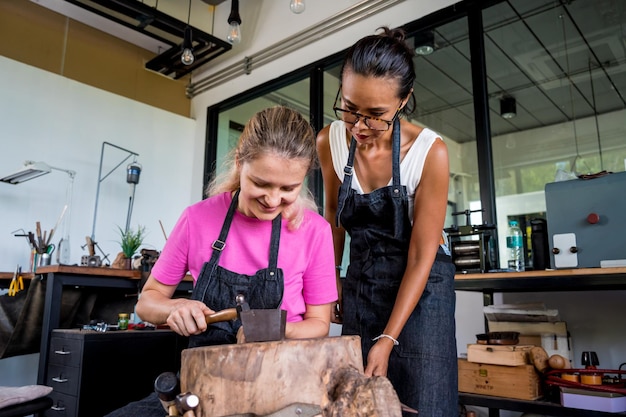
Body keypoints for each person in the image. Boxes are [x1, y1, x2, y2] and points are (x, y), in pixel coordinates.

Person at [105, 106, 338, 417]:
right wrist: (175, 308)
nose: (272, 200)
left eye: (288, 189)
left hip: (284, 388)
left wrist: (275, 331)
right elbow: (146, 303)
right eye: (261, 183)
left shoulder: (315, 232)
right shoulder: (197, 219)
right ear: (240, 161)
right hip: (202, 385)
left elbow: (320, 325)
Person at [316, 27, 458, 416]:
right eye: (349, 109)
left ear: (403, 102)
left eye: (376, 115)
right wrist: (333, 280)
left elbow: (421, 253)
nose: (359, 127)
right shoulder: (330, 141)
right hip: (362, 280)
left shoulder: (430, 152)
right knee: (357, 403)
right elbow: (334, 217)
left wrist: (389, 337)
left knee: (424, 404)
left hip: (421, 289)